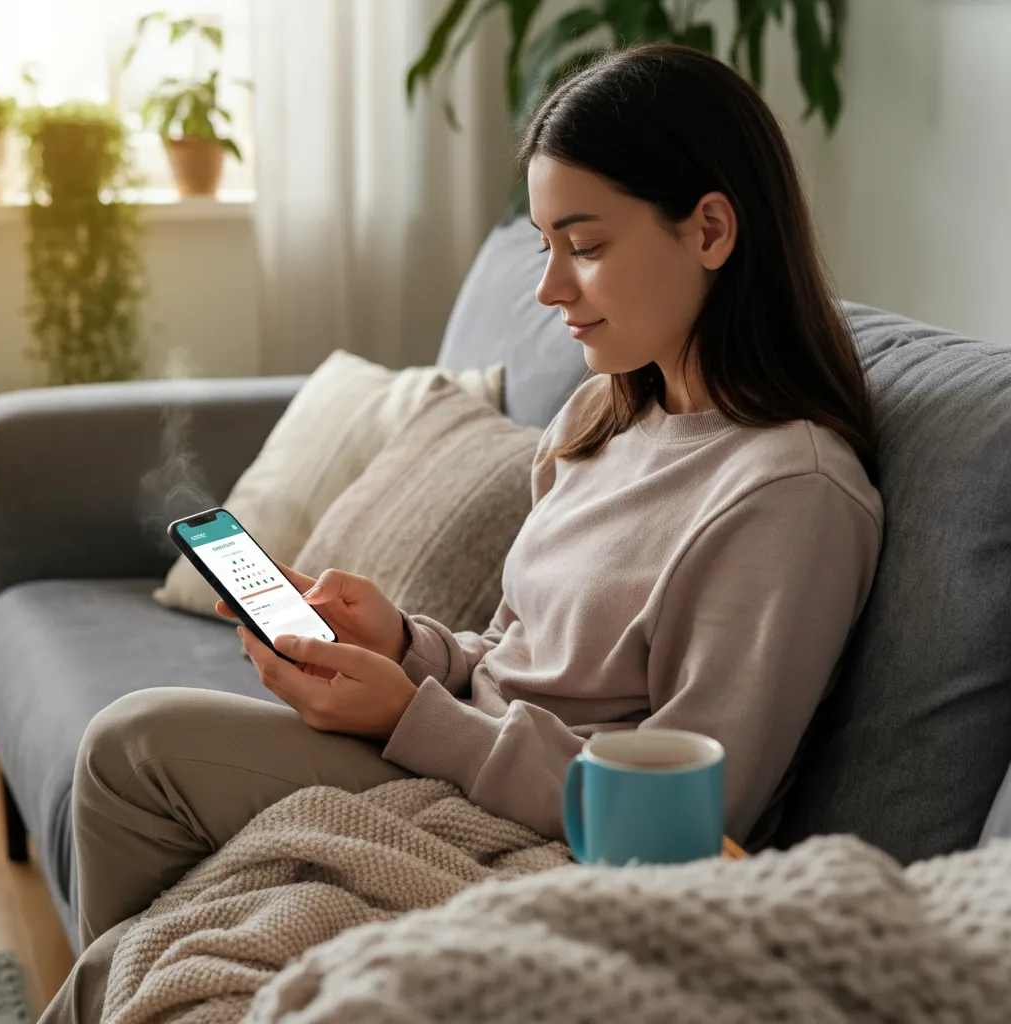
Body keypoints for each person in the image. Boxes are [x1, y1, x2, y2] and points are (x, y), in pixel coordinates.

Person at [43, 41, 883, 1022]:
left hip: (533, 825)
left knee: (130, 748)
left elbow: (703, 811)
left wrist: (410, 715)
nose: (549, 290)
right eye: (544, 246)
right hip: (457, 750)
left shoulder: (790, 494)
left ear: (708, 229)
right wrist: (405, 642)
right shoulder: (601, 419)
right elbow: (514, 653)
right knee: (132, 763)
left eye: (587, 244)